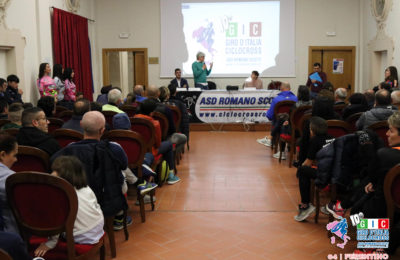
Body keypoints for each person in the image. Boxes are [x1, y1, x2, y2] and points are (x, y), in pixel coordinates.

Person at [50, 111, 130, 229]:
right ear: (102, 130)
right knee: (122, 174)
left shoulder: (69, 149)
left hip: (79, 195)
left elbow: (53, 162)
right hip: (108, 196)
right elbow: (124, 165)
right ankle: (119, 215)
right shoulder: (114, 148)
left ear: (81, 125)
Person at [34, 156, 105, 258]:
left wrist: (50, 243)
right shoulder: (86, 187)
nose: (51, 174)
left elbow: (57, 222)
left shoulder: (62, 195)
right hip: (98, 227)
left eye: (55, 171)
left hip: (81, 235)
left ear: (66, 175)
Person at [294, 117, 334, 221]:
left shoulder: (315, 141)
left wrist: (299, 165)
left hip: (326, 174)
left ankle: (305, 205)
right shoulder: (333, 137)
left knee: (302, 170)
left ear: (312, 130)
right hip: (336, 172)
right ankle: (331, 203)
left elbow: (307, 163)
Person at [135, 99, 181, 185]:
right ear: (152, 112)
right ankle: (171, 176)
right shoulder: (155, 123)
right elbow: (158, 144)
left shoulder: (133, 119)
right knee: (169, 145)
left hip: (136, 150)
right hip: (150, 151)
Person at [257, 82, 298, 147]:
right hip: (292, 124)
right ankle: (290, 146)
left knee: (275, 119)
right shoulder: (296, 99)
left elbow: (270, 115)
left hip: (278, 123)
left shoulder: (276, 99)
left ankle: (272, 142)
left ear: (281, 88)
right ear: (290, 88)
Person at [0, 133, 19, 233]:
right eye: (14, 155)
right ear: (2, 155)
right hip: (8, 236)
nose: (16, 160)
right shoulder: (11, 180)